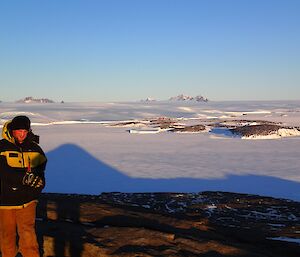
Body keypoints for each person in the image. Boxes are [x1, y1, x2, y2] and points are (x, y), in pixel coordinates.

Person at [0, 115, 47, 257]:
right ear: (12, 130)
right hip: (5, 203)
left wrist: (39, 185)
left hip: (28, 202)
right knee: (7, 236)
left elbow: (40, 171)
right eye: (19, 130)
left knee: (28, 236)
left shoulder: (35, 149)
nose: (22, 134)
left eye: (25, 131)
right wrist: (24, 178)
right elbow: (3, 172)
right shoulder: (2, 147)